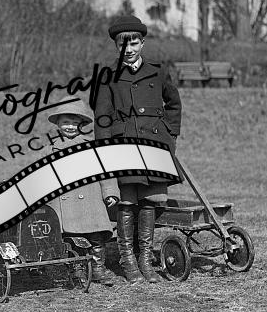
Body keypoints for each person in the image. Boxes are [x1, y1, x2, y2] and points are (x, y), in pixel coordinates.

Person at [94, 15, 182, 284]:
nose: (129, 49)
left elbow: (174, 103)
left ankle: (145, 258)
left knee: (150, 200)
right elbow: (102, 117)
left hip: (154, 145)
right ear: (116, 47)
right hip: (124, 146)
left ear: (142, 43)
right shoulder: (107, 76)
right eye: (123, 44)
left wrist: (169, 134)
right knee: (127, 201)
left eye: (134, 43)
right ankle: (127, 259)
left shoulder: (158, 70)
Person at [46, 97, 122, 286]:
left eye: (74, 123)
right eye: (66, 122)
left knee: (96, 237)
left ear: (81, 124)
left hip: (91, 201)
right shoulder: (50, 150)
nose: (70, 127)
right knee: (72, 240)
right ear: (58, 124)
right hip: (64, 204)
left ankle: (98, 269)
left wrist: (110, 192)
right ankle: (77, 269)